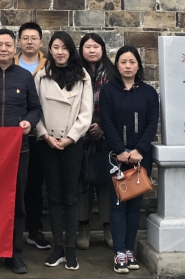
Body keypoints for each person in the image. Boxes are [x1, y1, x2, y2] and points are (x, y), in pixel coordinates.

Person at [0, 29, 41, 276]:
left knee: (16, 203)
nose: (3, 49)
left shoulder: (24, 77)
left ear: (15, 49)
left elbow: (35, 108)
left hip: (18, 150)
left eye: (8, 45)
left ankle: (15, 254)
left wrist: (29, 122)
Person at [34, 32, 93, 271]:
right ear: (49, 50)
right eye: (56, 47)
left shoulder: (82, 76)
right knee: (54, 195)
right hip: (47, 142)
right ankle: (57, 246)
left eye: (64, 48)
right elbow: (34, 109)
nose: (60, 52)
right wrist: (45, 135)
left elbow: (86, 114)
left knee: (71, 196)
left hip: (72, 143)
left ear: (71, 50)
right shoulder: (41, 76)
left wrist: (69, 138)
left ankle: (70, 249)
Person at [99, 46, 159, 274]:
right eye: (123, 61)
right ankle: (119, 252)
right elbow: (106, 122)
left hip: (140, 157)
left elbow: (152, 123)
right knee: (117, 204)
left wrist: (138, 150)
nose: (127, 66)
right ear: (117, 65)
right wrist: (120, 150)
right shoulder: (108, 91)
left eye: (132, 62)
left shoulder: (148, 93)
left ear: (138, 65)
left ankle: (129, 250)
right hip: (115, 157)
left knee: (134, 205)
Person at [76, 34, 116, 250]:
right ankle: (83, 227)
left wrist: (101, 127)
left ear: (103, 49)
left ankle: (108, 227)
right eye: (87, 46)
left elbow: (118, 105)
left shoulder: (113, 73)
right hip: (79, 137)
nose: (91, 50)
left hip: (106, 136)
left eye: (96, 46)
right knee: (83, 183)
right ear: (81, 50)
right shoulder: (75, 72)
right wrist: (84, 127)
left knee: (106, 184)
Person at [14, 23, 50, 252]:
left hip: (40, 134)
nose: (29, 41)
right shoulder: (9, 64)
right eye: (25, 38)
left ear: (40, 42)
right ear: (19, 41)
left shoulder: (50, 66)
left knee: (35, 184)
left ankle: (34, 229)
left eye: (33, 38)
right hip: (13, 136)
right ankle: (10, 232)